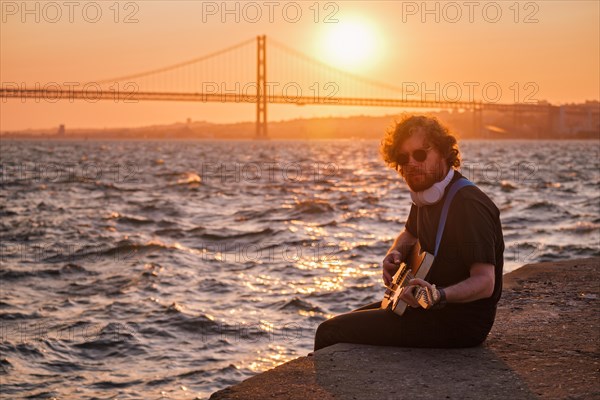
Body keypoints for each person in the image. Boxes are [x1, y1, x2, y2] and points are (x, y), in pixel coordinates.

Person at [314, 115, 505, 351]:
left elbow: (485, 282)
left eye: (420, 154)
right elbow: (409, 233)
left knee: (330, 332)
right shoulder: (426, 195)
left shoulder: (468, 205)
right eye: (403, 158)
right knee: (340, 325)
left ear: (444, 153)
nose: (411, 164)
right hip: (424, 308)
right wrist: (395, 253)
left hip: (458, 323)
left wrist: (439, 295)